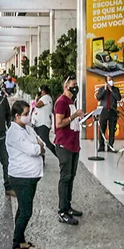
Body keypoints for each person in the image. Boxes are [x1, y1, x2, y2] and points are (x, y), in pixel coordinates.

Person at [6, 100, 44, 249]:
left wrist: (39, 145)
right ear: (16, 116)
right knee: (26, 211)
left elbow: (40, 142)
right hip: (21, 177)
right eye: (26, 114)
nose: (29, 116)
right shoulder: (14, 132)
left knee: (23, 209)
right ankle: (15, 245)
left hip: (31, 175)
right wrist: (38, 147)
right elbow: (33, 149)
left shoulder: (27, 128)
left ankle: (21, 240)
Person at [54, 75, 84, 225]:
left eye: (76, 84)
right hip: (64, 145)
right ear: (66, 86)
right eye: (73, 84)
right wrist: (74, 115)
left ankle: (68, 206)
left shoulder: (71, 101)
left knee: (71, 177)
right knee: (65, 177)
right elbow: (59, 123)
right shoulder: (61, 102)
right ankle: (62, 211)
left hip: (73, 144)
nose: (75, 86)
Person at [95, 76, 122, 152]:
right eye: (109, 80)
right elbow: (98, 97)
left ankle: (110, 146)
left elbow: (118, 98)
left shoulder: (116, 89)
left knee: (112, 130)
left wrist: (111, 90)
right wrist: (105, 89)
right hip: (103, 111)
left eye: (112, 79)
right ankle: (101, 146)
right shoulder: (101, 89)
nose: (111, 81)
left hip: (113, 111)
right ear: (106, 81)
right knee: (102, 130)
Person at [32, 85, 56, 158]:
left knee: (45, 141)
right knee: (39, 141)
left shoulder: (46, 97)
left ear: (42, 91)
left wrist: (36, 99)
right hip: (39, 123)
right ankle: (41, 157)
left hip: (43, 123)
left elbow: (37, 105)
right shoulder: (45, 98)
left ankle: (57, 154)